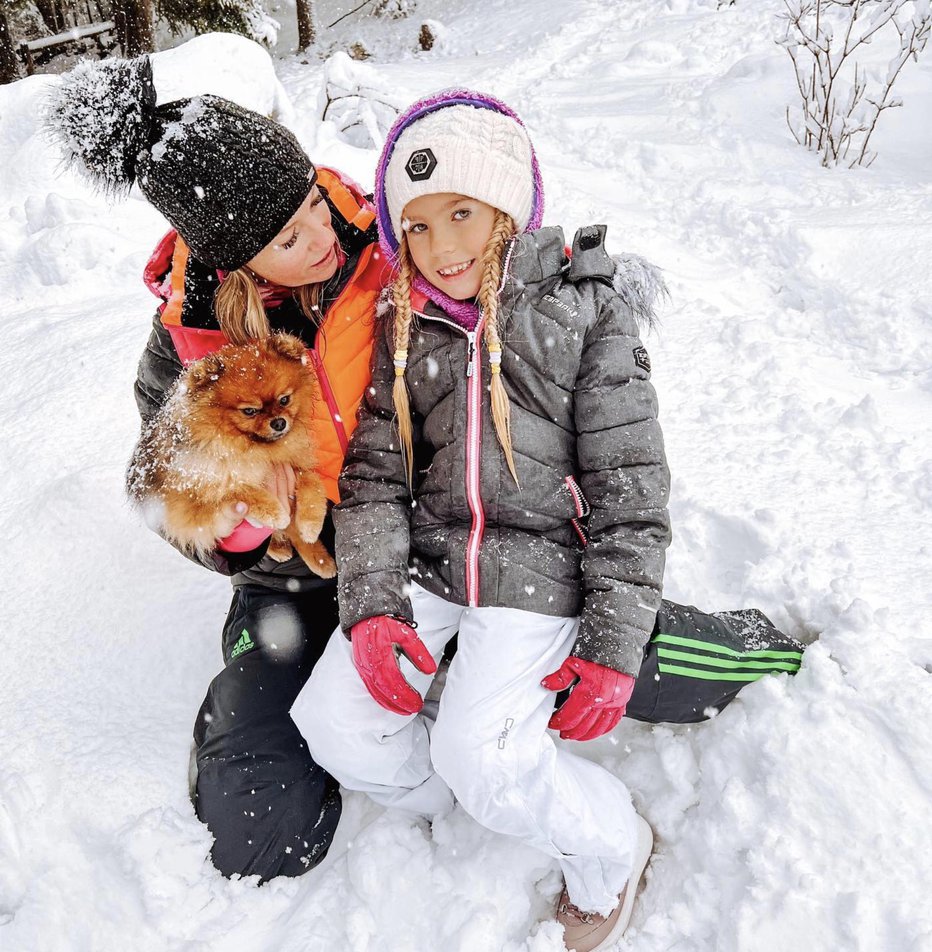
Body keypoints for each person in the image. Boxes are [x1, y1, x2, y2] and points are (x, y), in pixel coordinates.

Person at [290, 89, 669, 950]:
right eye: (416, 226)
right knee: (333, 724)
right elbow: (378, 478)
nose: (441, 245)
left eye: (460, 212)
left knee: (486, 753)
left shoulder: (579, 311)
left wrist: (612, 645)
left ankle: (610, 845)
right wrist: (375, 604)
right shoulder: (403, 324)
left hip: (539, 569)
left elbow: (631, 489)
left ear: (508, 201)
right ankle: (460, 796)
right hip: (431, 560)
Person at [47, 55, 392, 882]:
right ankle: (268, 667)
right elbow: (166, 497)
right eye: (287, 237)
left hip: (426, 550)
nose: (322, 236)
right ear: (237, 262)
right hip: (293, 588)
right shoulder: (185, 348)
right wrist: (239, 537)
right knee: (257, 833)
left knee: (626, 658)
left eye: (314, 202)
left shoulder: (395, 253)